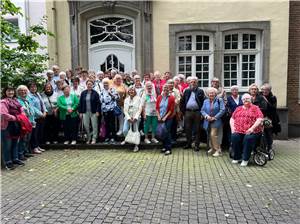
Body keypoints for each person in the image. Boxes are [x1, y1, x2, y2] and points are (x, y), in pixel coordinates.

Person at [230, 93, 264, 167]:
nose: (245, 100)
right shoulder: (238, 108)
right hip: (238, 130)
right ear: (242, 100)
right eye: (244, 99)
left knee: (248, 138)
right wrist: (233, 128)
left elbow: (260, 119)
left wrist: (252, 128)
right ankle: (237, 157)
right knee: (234, 137)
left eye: (247, 99)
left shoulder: (255, 108)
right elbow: (232, 119)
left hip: (252, 131)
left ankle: (245, 159)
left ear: (251, 100)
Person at [1, 87, 25, 170]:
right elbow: (4, 114)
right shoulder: (3, 102)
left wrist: (21, 115)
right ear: (5, 92)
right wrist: (16, 117)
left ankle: (15, 159)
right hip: (7, 126)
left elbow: (21, 109)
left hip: (16, 125)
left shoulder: (15, 101)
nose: (10, 92)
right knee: (7, 145)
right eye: (8, 91)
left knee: (15, 143)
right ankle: (7, 162)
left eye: (12, 91)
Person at [180, 76, 205, 151]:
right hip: (188, 112)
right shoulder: (186, 91)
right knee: (187, 129)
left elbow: (203, 102)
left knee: (197, 129)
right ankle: (188, 144)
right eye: (191, 82)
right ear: (189, 83)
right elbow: (182, 101)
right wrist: (184, 112)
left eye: (194, 82)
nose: (193, 83)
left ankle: (197, 145)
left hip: (197, 112)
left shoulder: (200, 91)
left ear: (197, 83)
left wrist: (202, 113)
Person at [17, 85, 43, 155]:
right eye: (21, 90)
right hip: (24, 122)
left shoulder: (28, 100)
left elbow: (33, 108)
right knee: (24, 138)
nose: (23, 92)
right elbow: (23, 111)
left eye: (25, 90)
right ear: (18, 92)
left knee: (28, 138)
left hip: (31, 121)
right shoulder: (18, 101)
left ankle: (26, 151)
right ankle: (21, 153)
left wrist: (40, 113)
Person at [201, 87, 225, 157]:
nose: (211, 94)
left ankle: (218, 150)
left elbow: (222, 110)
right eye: (210, 93)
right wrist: (206, 116)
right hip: (207, 121)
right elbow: (202, 110)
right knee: (209, 135)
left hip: (216, 120)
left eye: (212, 93)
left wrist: (215, 117)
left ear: (215, 93)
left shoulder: (219, 100)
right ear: (208, 94)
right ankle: (212, 148)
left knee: (213, 134)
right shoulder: (205, 101)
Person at [79, 80, 101, 144]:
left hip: (93, 112)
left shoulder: (95, 93)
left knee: (94, 125)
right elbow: (80, 103)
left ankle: (94, 138)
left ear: (92, 85)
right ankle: (88, 138)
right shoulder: (83, 93)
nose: (89, 85)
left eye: (90, 84)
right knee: (86, 125)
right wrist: (80, 112)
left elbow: (98, 103)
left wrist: (97, 111)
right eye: (88, 84)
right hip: (85, 112)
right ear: (86, 85)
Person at [156, 84, 176, 155]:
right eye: (164, 88)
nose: (165, 89)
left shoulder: (172, 98)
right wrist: (158, 116)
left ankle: (168, 148)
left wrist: (165, 117)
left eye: (167, 88)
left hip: (168, 118)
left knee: (167, 132)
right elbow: (157, 108)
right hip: (160, 117)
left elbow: (171, 109)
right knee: (162, 132)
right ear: (162, 89)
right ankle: (164, 146)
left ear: (169, 89)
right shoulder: (159, 97)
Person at [122, 86, 143, 152]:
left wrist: (136, 117)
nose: (131, 91)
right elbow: (125, 110)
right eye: (130, 90)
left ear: (135, 92)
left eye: (133, 90)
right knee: (125, 130)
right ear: (128, 92)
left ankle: (136, 145)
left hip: (136, 118)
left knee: (135, 131)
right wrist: (128, 118)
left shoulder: (139, 99)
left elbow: (140, 109)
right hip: (128, 117)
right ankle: (128, 139)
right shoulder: (126, 99)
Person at [28, 82, 47, 152]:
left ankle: (38, 146)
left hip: (42, 116)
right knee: (34, 133)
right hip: (35, 117)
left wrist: (45, 111)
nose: (34, 88)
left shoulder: (38, 94)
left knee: (39, 132)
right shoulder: (28, 96)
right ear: (29, 88)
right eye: (32, 87)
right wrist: (41, 114)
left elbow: (42, 103)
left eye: (35, 87)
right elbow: (32, 107)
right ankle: (34, 147)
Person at [260, 83, 280, 151]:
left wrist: (266, 101)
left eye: (267, 90)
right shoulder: (260, 96)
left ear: (269, 90)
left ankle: (269, 148)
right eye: (263, 89)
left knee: (268, 133)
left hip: (269, 119)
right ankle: (263, 147)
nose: (264, 91)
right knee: (262, 133)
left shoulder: (273, 97)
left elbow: (273, 108)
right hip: (261, 118)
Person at [99, 78, 120, 143]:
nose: (105, 84)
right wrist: (103, 109)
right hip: (105, 110)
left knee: (112, 124)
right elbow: (101, 101)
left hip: (112, 109)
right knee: (106, 124)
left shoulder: (112, 89)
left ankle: (113, 137)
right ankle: (107, 137)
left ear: (109, 84)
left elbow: (117, 98)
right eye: (104, 83)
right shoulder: (102, 91)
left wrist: (111, 94)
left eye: (107, 83)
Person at [224, 85, 243, 150]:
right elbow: (227, 108)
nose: (235, 91)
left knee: (240, 131)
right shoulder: (228, 98)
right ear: (231, 91)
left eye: (236, 90)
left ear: (238, 91)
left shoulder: (241, 98)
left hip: (241, 118)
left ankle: (239, 145)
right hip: (232, 118)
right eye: (233, 90)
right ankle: (231, 145)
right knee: (231, 131)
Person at [167, 79, 181, 143]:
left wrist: (171, 104)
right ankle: (168, 139)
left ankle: (174, 139)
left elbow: (178, 100)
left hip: (175, 110)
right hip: (166, 111)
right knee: (168, 125)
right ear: (167, 84)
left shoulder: (176, 91)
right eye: (170, 83)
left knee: (174, 125)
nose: (171, 84)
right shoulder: (165, 90)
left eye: (172, 83)